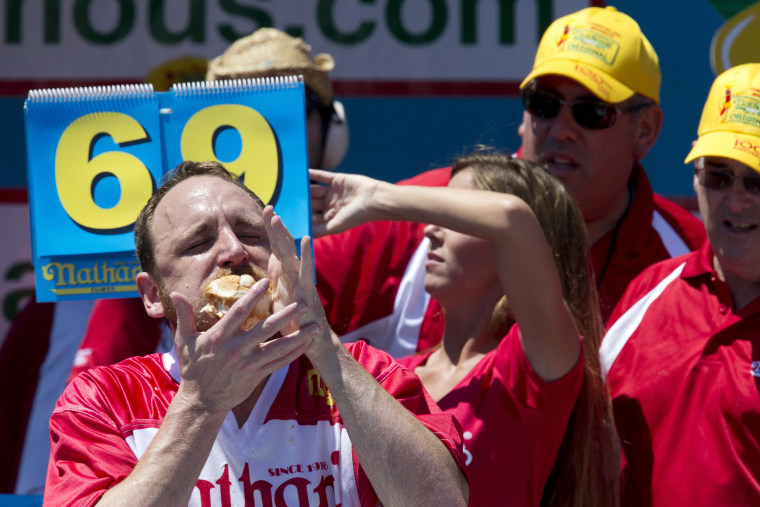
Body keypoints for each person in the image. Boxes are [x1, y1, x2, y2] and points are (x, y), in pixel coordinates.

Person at [44, 161, 469, 506]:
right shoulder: (102, 401)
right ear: (154, 295)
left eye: (251, 234)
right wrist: (200, 404)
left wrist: (323, 346)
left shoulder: (366, 371)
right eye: (198, 243)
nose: (234, 251)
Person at [313, 6, 705, 359]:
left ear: (646, 130)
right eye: (545, 104)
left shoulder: (691, 258)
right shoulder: (417, 208)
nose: (562, 129)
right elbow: (280, 297)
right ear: (524, 115)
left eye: (591, 112)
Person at [310, 151, 619, 506]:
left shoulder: (531, 371)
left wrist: (378, 199)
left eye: (454, 215)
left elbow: (512, 219)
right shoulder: (390, 373)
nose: (429, 229)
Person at [600, 63, 760, 505]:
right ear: (695, 176)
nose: (736, 198)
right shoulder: (648, 293)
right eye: (719, 176)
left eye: (756, 181)